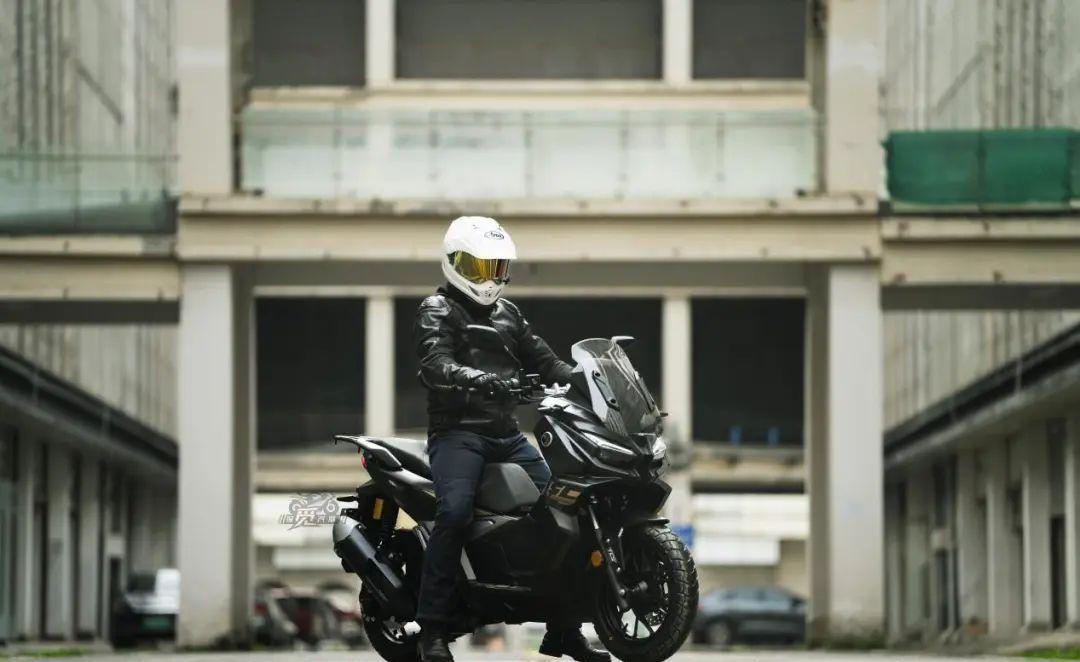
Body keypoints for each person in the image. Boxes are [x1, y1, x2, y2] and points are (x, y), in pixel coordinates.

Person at [414, 216, 610, 662]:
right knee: (454, 513)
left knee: (568, 512)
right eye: (479, 267)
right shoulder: (436, 310)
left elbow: (548, 362)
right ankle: (432, 630)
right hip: (458, 434)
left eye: (496, 268)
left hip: (507, 436)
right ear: (454, 263)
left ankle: (564, 632)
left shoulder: (509, 313)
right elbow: (434, 364)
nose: (489, 278)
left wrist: (592, 381)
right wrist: (477, 378)